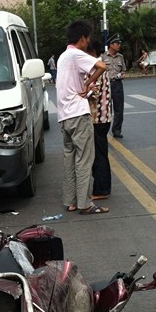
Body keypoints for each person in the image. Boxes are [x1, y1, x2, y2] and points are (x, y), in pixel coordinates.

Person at [55, 20, 109, 216]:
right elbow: (102, 66)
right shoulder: (76, 54)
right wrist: (88, 86)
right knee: (84, 159)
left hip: (64, 116)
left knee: (69, 159)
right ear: (82, 38)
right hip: (78, 114)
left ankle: (71, 202)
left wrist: (84, 89)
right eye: (88, 38)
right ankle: (85, 204)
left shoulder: (62, 57)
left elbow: (68, 87)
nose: (89, 42)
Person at [87, 38, 113, 201]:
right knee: (101, 153)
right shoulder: (100, 64)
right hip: (104, 117)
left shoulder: (96, 66)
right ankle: (103, 187)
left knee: (99, 155)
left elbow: (93, 93)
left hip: (98, 118)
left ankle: (101, 189)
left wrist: (81, 92)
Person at [101, 34, 126, 139]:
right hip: (106, 84)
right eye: (117, 43)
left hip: (117, 84)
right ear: (111, 45)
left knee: (119, 109)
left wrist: (122, 75)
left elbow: (123, 70)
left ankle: (116, 130)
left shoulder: (120, 57)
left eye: (119, 43)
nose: (119, 45)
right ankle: (104, 130)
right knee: (105, 109)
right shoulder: (103, 56)